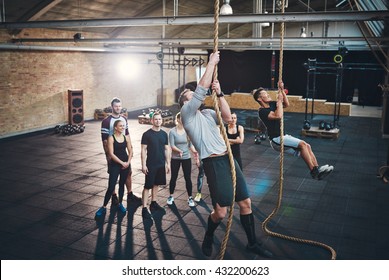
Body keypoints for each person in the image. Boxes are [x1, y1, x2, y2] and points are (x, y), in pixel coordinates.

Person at [179, 51, 272, 258]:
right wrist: (211, 63)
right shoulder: (187, 115)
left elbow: (229, 118)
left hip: (228, 159)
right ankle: (209, 235)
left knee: (246, 203)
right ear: (184, 104)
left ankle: (252, 243)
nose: (194, 97)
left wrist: (220, 93)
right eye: (189, 97)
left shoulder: (208, 113)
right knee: (221, 212)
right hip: (213, 163)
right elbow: (200, 91)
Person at [252, 84, 334, 180]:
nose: (268, 95)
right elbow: (277, 116)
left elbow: (286, 104)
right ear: (259, 99)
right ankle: (314, 171)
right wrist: (279, 101)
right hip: (276, 140)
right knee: (302, 144)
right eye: (265, 94)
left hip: (283, 136)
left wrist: (282, 91)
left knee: (307, 146)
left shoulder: (272, 104)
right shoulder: (262, 111)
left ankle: (317, 169)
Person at [101, 97, 141, 205]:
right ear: (112, 107)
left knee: (128, 172)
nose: (118, 108)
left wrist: (130, 148)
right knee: (113, 176)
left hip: (123, 151)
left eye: (119, 106)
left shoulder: (124, 119)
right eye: (116, 106)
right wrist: (108, 156)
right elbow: (105, 141)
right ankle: (114, 196)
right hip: (112, 152)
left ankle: (130, 194)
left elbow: (127, 134)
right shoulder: (106, 121)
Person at [95, 120, 132, 218]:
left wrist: (128, 162)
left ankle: (120, 204)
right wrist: (122, 163)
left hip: (125, 164)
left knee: (121, 185)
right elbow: (111, 154)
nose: (123, 127)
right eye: (120, 126)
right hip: (116, 164)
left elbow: (130, 150)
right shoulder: (111, 138)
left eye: (123, 126)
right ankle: (103, 207)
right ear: (115, 127)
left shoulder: (125, 137)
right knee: (111, 187)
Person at [140, 111, 171, 219]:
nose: (158, 121)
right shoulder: (147, 134)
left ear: (162, 121)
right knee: (147, 186)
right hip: (151, 164)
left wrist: (168, 163)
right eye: (156, 119)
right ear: (152, 121)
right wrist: (143, 165)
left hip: (160, 164)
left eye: (159, 119)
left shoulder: (164, 134)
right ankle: (144, 208)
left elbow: (166, 149)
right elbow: (143, 150)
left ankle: (153, 203)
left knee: (156, 184)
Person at [167, 112, 196, 207]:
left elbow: (190, 145)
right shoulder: (172, 131)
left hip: (186, 158)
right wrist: (179, 151)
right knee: (174, 177)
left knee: (187, 178)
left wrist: (195, 152)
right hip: (175, 158)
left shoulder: (188, 131)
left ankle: (190, 198)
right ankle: (171, 196)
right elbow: (172, 145)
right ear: (178, 119)